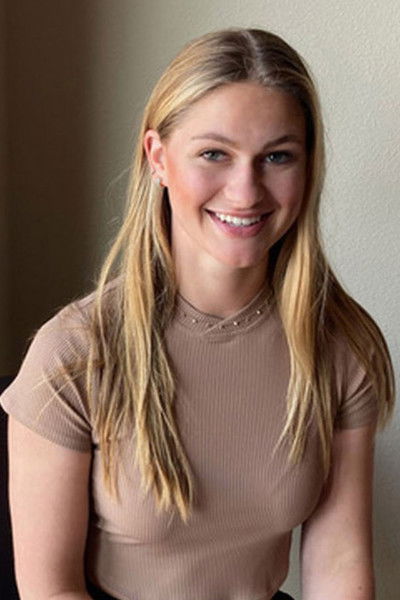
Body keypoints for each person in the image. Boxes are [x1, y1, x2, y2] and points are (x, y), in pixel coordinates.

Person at [1, 27, 395, 600]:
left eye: (277, 157)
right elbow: (51, 590)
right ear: (158, 158)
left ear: (308, 167)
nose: (246, 192)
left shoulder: (341, 343)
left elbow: (339, 560)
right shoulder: (73, 352)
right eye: (214, 154)